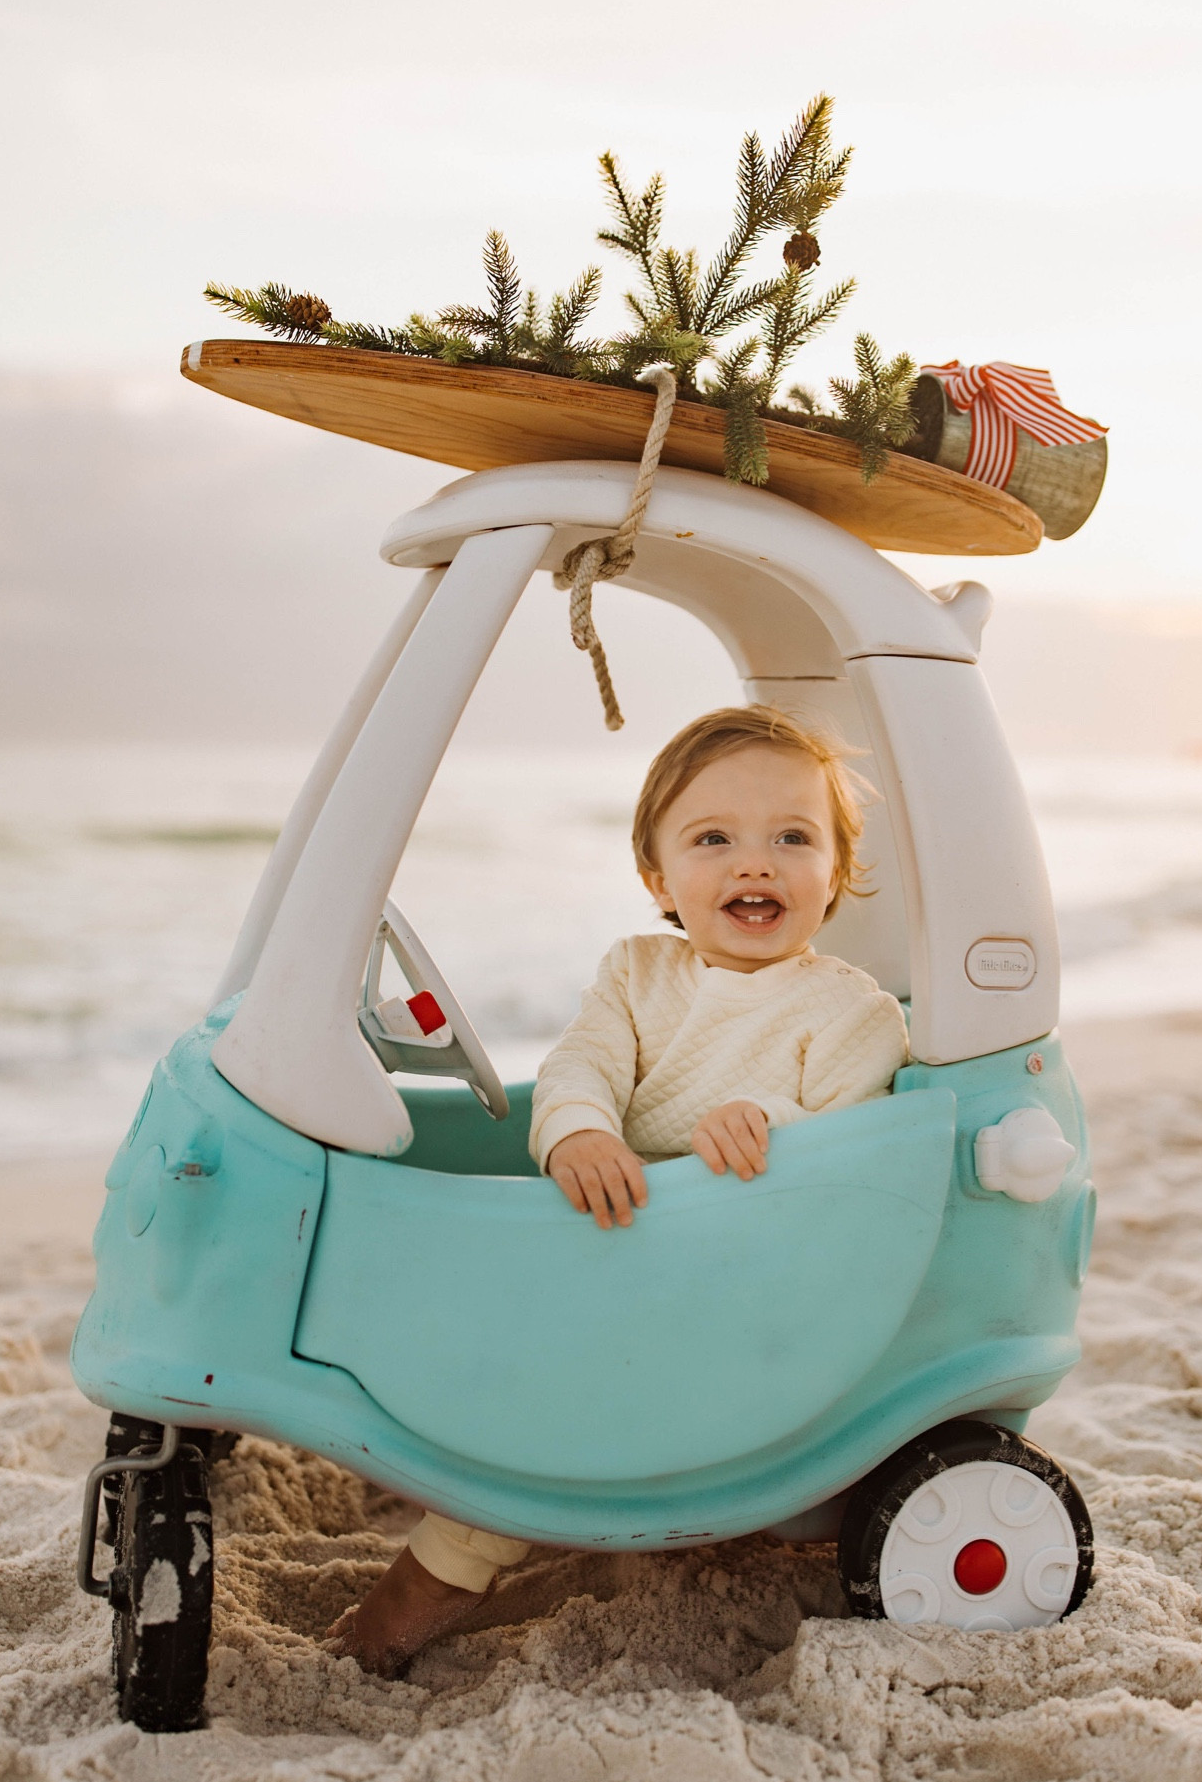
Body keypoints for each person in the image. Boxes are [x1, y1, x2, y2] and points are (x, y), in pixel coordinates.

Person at [324, 706, 908, 1674]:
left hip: (730, 1288)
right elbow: (577, 1067)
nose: (753, 863)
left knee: (528, 1394)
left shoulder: (851, 1010)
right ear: (657, 874)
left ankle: (426, 1586)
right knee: (498, 1306)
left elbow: (858, 1141)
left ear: (835, 873)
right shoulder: (636, 973)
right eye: (712, 838)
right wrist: (581, 1130)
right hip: (616, 1243)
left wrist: (769, 1119)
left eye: (792, 838)